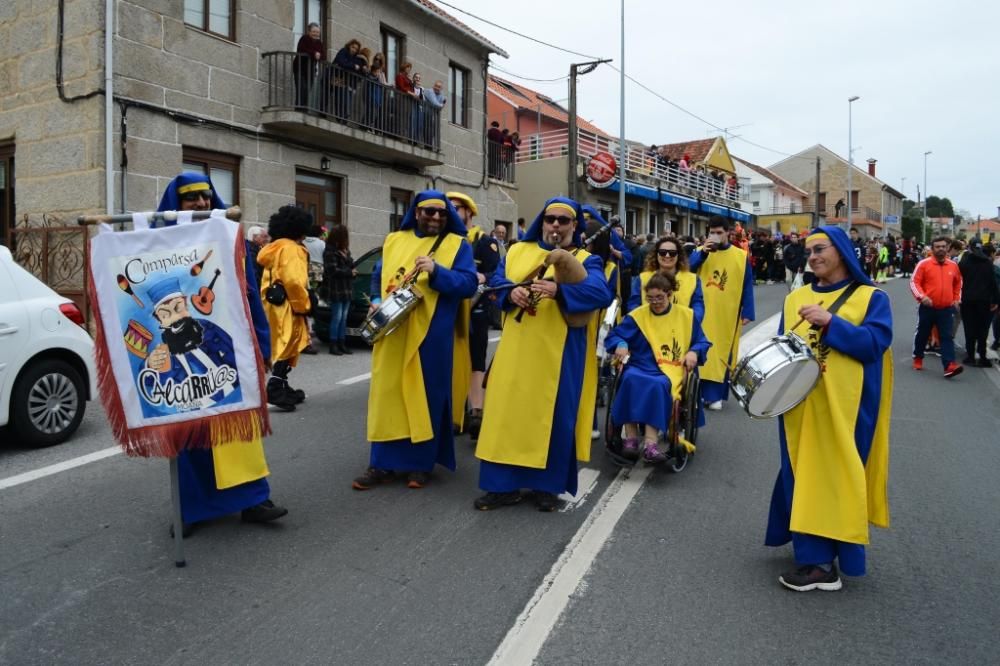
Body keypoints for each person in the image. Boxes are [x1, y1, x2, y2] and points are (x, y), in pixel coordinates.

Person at [155, 172, 286, 537]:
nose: (199, 204)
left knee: (239, 428)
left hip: (226, 349)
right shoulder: (154, 242)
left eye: (205, 197)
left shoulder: (232, 239)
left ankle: (253, 500)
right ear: (174, 205)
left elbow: (249, 297)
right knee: (189, 436)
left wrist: (262, 346)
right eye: (190, 198)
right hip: (179, 365)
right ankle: (192, 509)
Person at [765, 225, 893, 592]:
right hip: (800, 405)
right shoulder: (795, 298)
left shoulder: (871, 298)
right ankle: (813, 557)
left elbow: (874, 344)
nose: (814, 256)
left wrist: (830, 323)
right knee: (802, 474)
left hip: (847, 409)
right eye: (809, 252)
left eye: (821, 249)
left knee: (837, 479)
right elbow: (783, 347)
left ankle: (825, 562)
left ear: (840, 251)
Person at [474, 197, 612, 512]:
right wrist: (512, 292)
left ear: (574, 226)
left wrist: (560, 291)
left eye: (564, 221)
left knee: (553, 419)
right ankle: (501, 487)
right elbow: (495, 284)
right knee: (506, 417)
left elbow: (600, 293)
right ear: (543, 221)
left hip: (560, 354)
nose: (556, 225)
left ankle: (546, 488)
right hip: (517, 350)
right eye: (551, 219)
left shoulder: (587, 259)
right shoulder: (518, 251)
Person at [354, 191, 477, 490]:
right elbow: (378, 278)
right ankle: (380, 464)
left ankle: (419, 465)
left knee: (426, 397)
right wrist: (373, 299)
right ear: (416, 212)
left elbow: (468, 283)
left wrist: (437, 272)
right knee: (387, 396)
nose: (435, 217)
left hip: (432, 333)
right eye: (428, 212)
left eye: (441, 213)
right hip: (392, 330)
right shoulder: (394, 240)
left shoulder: (457, 245)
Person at [606, 273, 710, 462]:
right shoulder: (638, 316)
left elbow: (702, 341)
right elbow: (614, 336)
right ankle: (630, 439)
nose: (655, 302)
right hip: (639, 364)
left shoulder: (686, 316)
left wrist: (694, 351)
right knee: (629, 379)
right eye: (650, 298)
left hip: (669, 369)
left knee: (658, 384)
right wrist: (621, 343)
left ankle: (650, 443)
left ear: (670, 294)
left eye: (659, 297)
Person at [447, 191, 499, 441]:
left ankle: (476, 411)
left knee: (476, 359)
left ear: (468, 211)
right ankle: (454, 412)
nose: (449, 211)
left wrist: (483, 277)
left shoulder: (482, 241)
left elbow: (497, 274)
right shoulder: (444, 240)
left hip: (475, 309)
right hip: (447, 308)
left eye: (455, 207)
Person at [689, 216, 755, 410]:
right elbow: (686, 270)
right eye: (712, 232)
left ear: (728, 233)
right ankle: (696, 393)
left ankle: (715, 396)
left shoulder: (741, 256)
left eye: (719, 232)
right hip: (701, 311)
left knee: (721, 351)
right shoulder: (700, 252)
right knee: (699, 349)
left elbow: (747, 284)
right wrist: (702, 254)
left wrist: (748, 311)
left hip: (728, 311)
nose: (716, 236)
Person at [258, 206, 313, 410]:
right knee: (290, 342)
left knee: (281, 341)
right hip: (289, 303)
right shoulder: (292, 249)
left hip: (272, 302)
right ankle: (275, 386)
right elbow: (294, 281)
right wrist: (304, 304)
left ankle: (282, 383)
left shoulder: (274, 247)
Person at [910, 237, 964, 377]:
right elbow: (914, 282)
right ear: (932, 249)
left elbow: (958, 284)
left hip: (946, 309)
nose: (941, 249)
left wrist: (956, 299)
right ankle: (918, 357)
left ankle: (949, 365)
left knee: (946, 337)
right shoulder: (923, 264)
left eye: (943, 246)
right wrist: (922, 297)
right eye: (937, 246)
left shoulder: (953, 265)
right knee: (922, 334)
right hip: (927, 307)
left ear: (947, 248)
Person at [628, 235, 704, 324]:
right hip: (650, 331)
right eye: (662, 252)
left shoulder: (692, 279)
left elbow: (698, 306)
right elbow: (633, 305)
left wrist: (691, 323)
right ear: (656, 254)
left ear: (678, 255)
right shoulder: (642, 278)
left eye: (672, 253)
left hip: (681, 331)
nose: (667, 256)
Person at [958, 238, 1000, 367]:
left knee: (969, 328)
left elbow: (958, 281)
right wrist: (995, 300)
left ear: (969, 247)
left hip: (967, 300)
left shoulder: (964, 262)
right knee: (983, 329)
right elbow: (993, 283)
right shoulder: (988, 263)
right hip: (984, 300)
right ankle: (982, 356)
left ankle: (970, 356)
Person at [322, 224, 356, 356]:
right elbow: (332, 270)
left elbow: (352, 265)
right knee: (337, 317)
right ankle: (333, 344)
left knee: (344, 317)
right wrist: (350, 272)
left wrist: (351, 268)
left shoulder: (345, 250)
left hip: (346, 288)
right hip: (336, 288)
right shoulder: (330, 251)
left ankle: (342, 343)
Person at [294, 22, 324, 108]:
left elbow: (323, 55)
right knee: (301, 90)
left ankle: (304, 110)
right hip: (300, 69)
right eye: (314, 32)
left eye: (317, 32)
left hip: (311, 71)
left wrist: (319, 55)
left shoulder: (319, 43)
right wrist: (314, 53)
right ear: (309, 32)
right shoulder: (304, 38)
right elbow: (301, 49)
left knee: (307, 91)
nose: (316, 34)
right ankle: (299, 110)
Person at [333, 38, 363, 120]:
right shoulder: (343, 51)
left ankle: (344, 117)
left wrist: (350, 66)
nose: (354, 50)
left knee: (344, 99)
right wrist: (352, 66)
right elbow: (341, 62)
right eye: (353, 47)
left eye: (356, 49)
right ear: (349, 46)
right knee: (339, 98)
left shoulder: (355, 58)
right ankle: (340, 117)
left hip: (346, 81)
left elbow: (357, 69)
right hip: (337, 77)